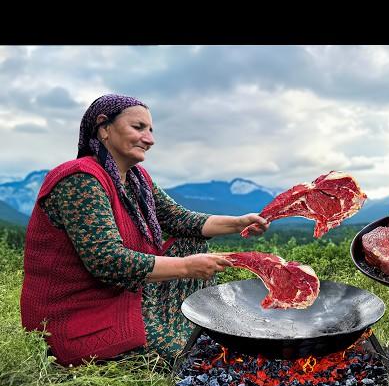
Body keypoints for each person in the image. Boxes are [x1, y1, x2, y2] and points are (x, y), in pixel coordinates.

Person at [20, 94, 269, 366]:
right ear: (104, 128)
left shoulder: (137, 180)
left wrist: (239, 223)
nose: (149, 139)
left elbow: (181, 220)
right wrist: (187, 267)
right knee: (180, 355)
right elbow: (107, 262)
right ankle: (163, 341)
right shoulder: (81, 179)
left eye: (150, 130)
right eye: (138, 128)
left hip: (118, 296)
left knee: (191, 241)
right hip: (75, 315)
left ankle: (178, 333)